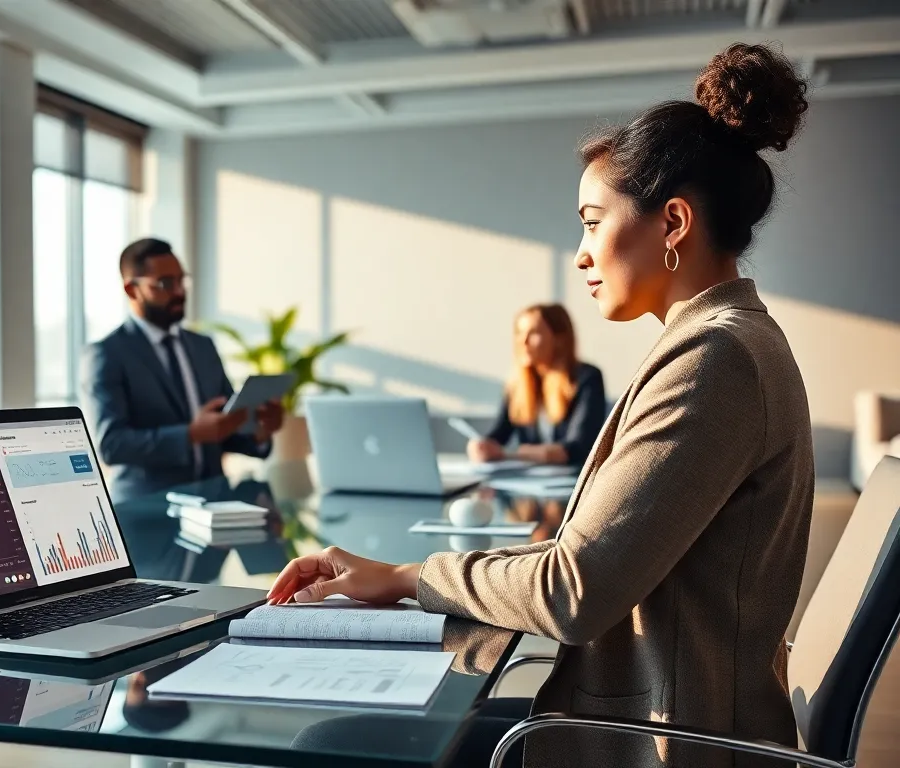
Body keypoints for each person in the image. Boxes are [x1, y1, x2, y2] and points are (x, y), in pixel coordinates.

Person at [267, 43, 813, 768]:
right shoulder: (731, 340)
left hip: (665, 741)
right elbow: (587, 561)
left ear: (673, 223)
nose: (582, 254)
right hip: (657, 708)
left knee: (330, 744)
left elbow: (572, 591)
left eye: (592, 221)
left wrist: (409, 579)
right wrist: (401, 576)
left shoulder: (715, 359)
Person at [81, 238, 284, 502]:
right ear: (132, 290)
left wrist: (260, 429)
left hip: (214, 508)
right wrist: (190, 434)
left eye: (181, 280)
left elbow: (224, 431)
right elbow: (111, 444)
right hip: (146, 514)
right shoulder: (106, 354)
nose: (179, 292)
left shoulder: (202, 347)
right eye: (166, 283)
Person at [468, 304, 606, 466]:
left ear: (559, 338)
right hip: (532, 483)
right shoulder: (517, 385)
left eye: (533, 333)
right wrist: (482, 446)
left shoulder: (587, 378)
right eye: (519, 333)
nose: (523, 341)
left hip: (575, 484)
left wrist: (512, 454)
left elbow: (578, 448)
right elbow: (498, 435)